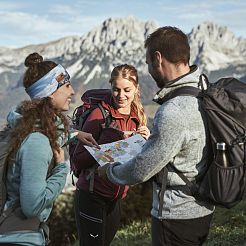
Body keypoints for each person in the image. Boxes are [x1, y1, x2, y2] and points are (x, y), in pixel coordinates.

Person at [99, 27, 215, 246]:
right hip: (203, 206)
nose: (149, 70)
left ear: (158, 58)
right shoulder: (204, 89)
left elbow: (142, 169)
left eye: (148, 63)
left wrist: (110, 172)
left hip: (176, 215)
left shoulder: (174, 110)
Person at [0, 52, 98, 246]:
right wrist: (62, 168)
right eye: (67, 86)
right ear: (50, 92)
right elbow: (33, 207)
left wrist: (74, 134)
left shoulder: (25, 126)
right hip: (20, 238)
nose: (72, 92)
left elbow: (45, 134)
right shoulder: (37, 141)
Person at [71, 64, 150, 246]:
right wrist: (106, 141)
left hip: (117, 196)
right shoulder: (99, 115)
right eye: (116, 90)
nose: (121, 96)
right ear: (111, 88)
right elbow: (78, 158)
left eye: (127, 90)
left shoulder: (137, 115)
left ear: (136, 88)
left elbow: (134, 157)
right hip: (91, 194)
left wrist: (144, 142)